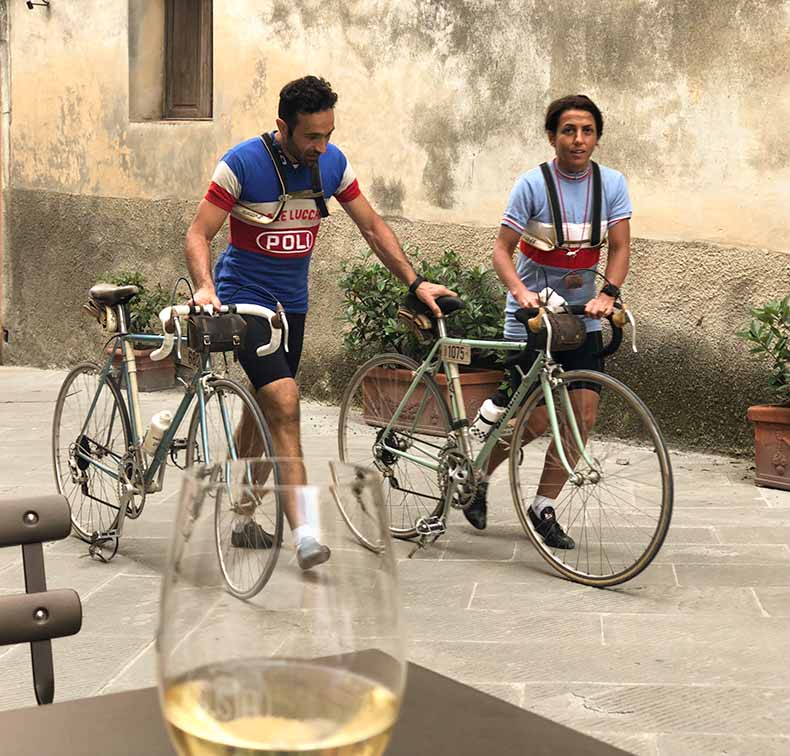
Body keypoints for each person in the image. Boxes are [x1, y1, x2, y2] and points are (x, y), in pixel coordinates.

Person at [185, 75, 454, 570]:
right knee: (285, 400)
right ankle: (305, 530)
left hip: (294, 305)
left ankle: (243, 510)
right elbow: (199, 233)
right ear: (283, 127)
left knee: (268, 405)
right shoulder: (242, 164)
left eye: (328, 134)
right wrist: (206, 287)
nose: (322, 145)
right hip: (246, 300)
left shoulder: (331, 164)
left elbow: (371, 226)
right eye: (312, 136)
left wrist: (416, 282)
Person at [463, 94, 632, 548]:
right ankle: (477, 475)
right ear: (552, 136)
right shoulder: (531, 186)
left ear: (597, 136)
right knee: (531, 419)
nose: (578, 140)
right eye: (569, 131)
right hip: (534, 317)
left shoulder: (612, 184)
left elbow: (618, 248)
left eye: (587, 131)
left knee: (584, 413)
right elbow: (502, 250)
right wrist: (521, 293)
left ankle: (543, 506)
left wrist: (607, 294)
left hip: (582, 317)